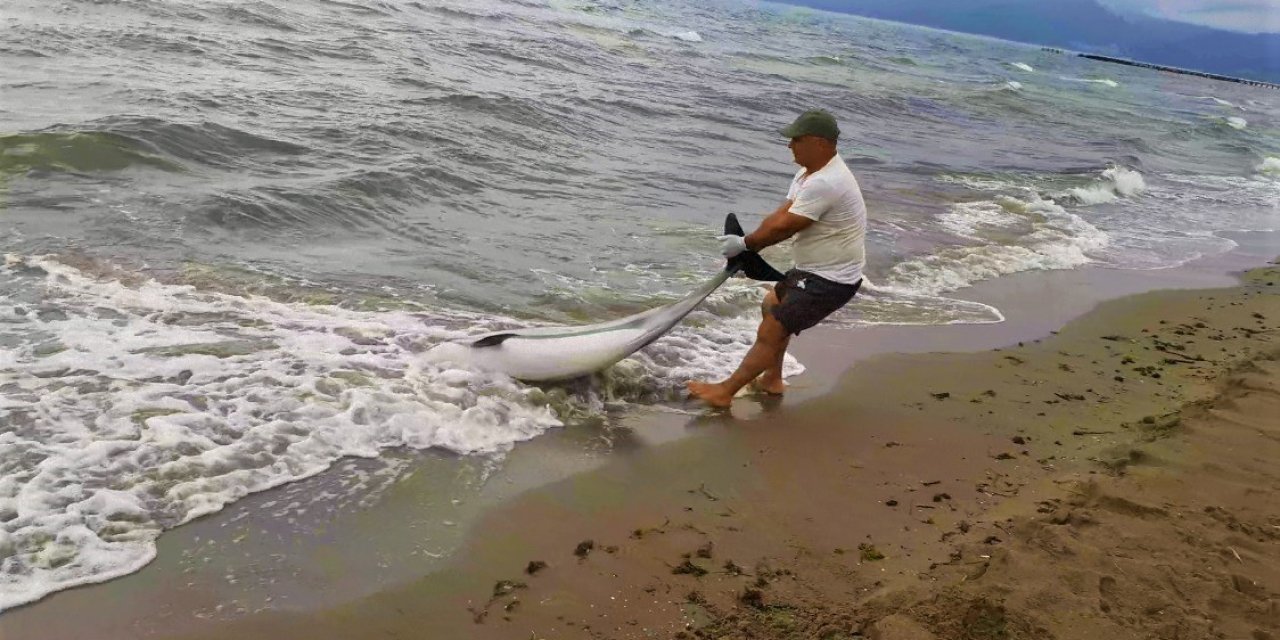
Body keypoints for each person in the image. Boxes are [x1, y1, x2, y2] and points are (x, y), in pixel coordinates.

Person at [687, 109, 867, 409]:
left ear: (819, 143)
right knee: (771, 304)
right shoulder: (807, 174)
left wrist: (746, 243)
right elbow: (781, 214)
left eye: (795, 140)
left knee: (772, 329)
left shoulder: (829, 182)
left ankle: (725, 392)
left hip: (831, 280)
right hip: (812, 271)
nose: (789, 146)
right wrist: (749, 249)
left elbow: (786, 227)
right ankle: (771, 378)